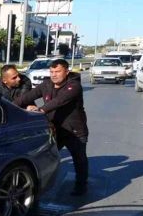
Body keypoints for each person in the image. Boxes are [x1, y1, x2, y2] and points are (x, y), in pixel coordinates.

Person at [13, 59, 89, 196]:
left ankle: (81, 185)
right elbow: (26, 97)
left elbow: (59, 101)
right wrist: (9, 106)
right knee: (44, 158)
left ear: (66, 71)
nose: (54, 75)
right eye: (52, 71)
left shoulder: (74, 86)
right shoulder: (46, 84)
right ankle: (36, 187)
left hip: (74, 131)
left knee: (79, 159)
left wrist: (40, 110)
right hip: (54, 129)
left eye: (57, 71)